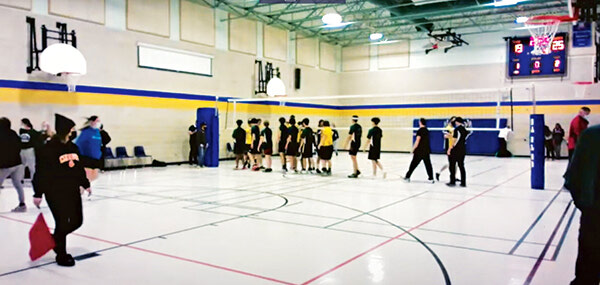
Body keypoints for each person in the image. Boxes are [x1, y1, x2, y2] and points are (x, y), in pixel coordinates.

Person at [33, 113, 91, 267]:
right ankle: (61, 254)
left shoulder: (73, 147)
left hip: (72, 190)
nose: (73, 132)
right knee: (62, 222)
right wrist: (38, 193)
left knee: (77, 221)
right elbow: (41, 172)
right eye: (71, 129)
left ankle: (54, 239)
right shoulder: (48, 149)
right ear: (65, 130)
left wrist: (85, 184)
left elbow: (78, 168)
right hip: (55, 191)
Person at [563, 124, 600, 285]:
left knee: (587, 272)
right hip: (593, 213)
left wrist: (586, 207)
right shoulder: (590, 134)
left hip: (593, 214)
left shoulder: (591, 134)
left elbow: (572, 179)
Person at [0, 118, 26, 212]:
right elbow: (19, 146)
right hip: (17, 163)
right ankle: (22, 205)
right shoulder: (14, 133)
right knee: (18, 184)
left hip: (5, 165)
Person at [403, 118, 434, 183]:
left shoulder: (419, 130)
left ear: (420, 122)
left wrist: (413, 149)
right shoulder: (427, 130)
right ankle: (431, 178)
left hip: (419, 151)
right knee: (428, 164)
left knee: (413, 164)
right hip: (426, 150)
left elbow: (417, 141)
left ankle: (407, 177)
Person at [75, 116, 103, 182]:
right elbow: (79, 144)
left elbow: (98, 144)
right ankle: (83, 188)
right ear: (92, 122)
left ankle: (87, 186)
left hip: (96, 157)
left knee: (95, 176)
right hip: (87, 157)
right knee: (87, 176)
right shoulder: (86, 132)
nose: (99, 122)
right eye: (97, 121)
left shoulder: (97, 132)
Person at [447, 117, 468, 187]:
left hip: (456, 150)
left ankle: (452, 181)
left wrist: (450, 149)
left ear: (457, 122)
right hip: (463, 149)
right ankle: (463, 182)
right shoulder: (464, 130)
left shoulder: (457, 129)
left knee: (452, 165)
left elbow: (454, 140)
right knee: (461, 166)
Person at [436, 117, 456, 181]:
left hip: (453, 146)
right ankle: (439, 172)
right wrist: (453, 136)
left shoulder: (453, 128)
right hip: (448, 147)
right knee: (451, 163)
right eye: (453, 121)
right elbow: (445, 136)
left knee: (455, 163)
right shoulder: (448, 128)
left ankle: (454, 177)